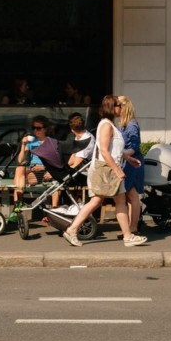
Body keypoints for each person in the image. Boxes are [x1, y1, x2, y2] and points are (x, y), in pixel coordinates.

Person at [61, 95, 147, 247]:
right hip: (106, 170)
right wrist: (118, 170)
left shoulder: (110, 124)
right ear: (112, 108)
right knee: (101, 201)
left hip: (108, 169)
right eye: (118, 105)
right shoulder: (106, 125)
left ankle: (127, 236)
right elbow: (105, 152)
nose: (120, 108)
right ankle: (127, 236)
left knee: (107, 201)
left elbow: (114, 150)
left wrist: (128, 159)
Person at [117, 95, 145, 238]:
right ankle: (129, 228)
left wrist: (122, 155)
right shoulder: (123, 124)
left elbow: (134, 146)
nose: (115, 107)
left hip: (133, 163)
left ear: (124, 107)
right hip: (128, 162)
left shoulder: (131, 125)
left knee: (132, 195)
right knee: (130, 195)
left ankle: (133, 227)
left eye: (118, 105)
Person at [13, 115, 53, 204]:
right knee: (19, 169)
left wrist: (43, 167)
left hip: (43, 172)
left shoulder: (51, 142)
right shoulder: (32, 141)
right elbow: (20, 161)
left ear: (45, 129)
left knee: (18, 183)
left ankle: (17, 209)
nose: (35, 130)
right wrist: (23, 145)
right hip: (31, 170)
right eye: (33, 128)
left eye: (38, 128)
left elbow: (56, 162)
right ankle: (18, 205)